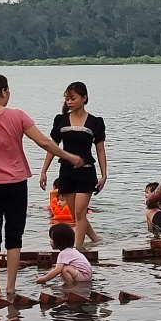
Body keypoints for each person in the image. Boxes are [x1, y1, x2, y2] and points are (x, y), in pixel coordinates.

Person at [0, 72, 87, 298]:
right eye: (7, 90)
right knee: (14, 236)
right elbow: (43, 141)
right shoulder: (18, 116)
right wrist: (69, 157)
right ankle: (11, 287)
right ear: (3, 92)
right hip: (16, 184)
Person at [39, 82, 107, 249]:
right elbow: (51, 147)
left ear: (84, 98)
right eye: (67, 99)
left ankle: (78, 248)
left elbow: (100, 151)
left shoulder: (94, 122)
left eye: (73, 98)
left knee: (79, 212)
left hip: (86, 173)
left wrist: (104, 175)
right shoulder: (61, 120)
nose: (69, 102)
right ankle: (95, 239)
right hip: (66, 172)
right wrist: (44, 171)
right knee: (77, 215)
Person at [36, 223, 93, 287]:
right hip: (87, 275)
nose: (50, 241)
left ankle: (70, 286)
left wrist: (43, 279)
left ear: (59, 241)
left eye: (52, 239)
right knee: (63, 267)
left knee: (64, 269)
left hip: (83, 276)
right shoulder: (71, 251)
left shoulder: (63, 253)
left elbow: (57, 270)